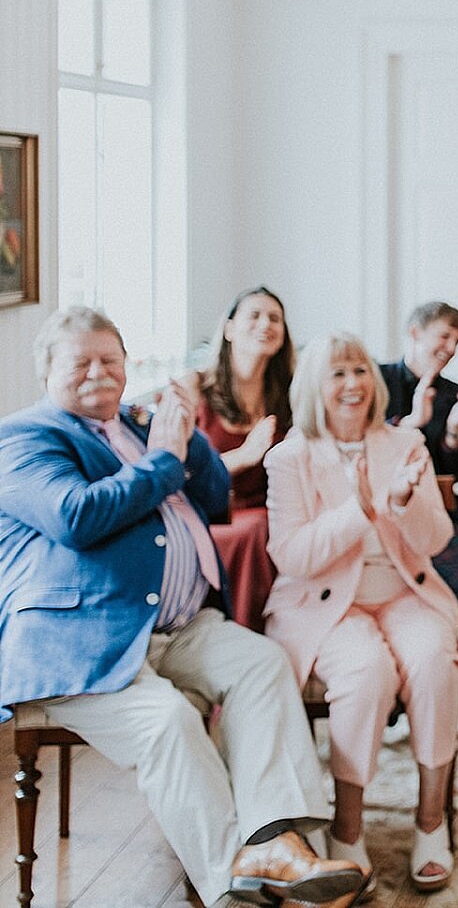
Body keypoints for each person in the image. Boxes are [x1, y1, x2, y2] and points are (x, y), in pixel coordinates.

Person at [0, 307, 366, 908]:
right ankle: (230, 884)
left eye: (110, 359)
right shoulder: (25, 437)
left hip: (176, 626)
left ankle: (274, 840)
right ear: (46, 372)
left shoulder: (140, 424)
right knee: (167, 721)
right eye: (80, 362)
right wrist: (164, 458)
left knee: (262, 662)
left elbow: (214, 498)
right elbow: (77, 517)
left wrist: (185, 437)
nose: (98, 372)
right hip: (83, 640)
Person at [265, 331, 458, 894]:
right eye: (336, 374)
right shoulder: (290, 457)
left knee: (432, 661)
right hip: (324, 605)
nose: (352, 384)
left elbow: (435, 539)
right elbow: (294, 557)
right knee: (366, 673)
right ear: (313, 388)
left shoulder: (404, 444)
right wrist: (361, 509)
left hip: (403, 591)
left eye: (358, 372)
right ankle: (347, 830)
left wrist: (400, 508)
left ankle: (431, 820)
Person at [379, 302, 458, 625]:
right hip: (377, 505)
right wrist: (413, 422)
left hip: (435, 507)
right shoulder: (374, 381)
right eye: (444, 336)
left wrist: (454, 429)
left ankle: (424, 631)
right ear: (415, 333)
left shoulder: (457, 396)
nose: (451, 348)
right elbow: (365, 445)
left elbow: (455, 472)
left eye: (457, 341)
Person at [192, 285, 295, 632]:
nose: (265, 324)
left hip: (274, 513)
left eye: (275, 318)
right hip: (210, 514)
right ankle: (241, 632)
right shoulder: (195, 389)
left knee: (269, 527)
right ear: (229, 328)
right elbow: (173, 472)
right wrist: (243, 456)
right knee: (253, 530)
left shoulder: (292, 395)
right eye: (254, 315)